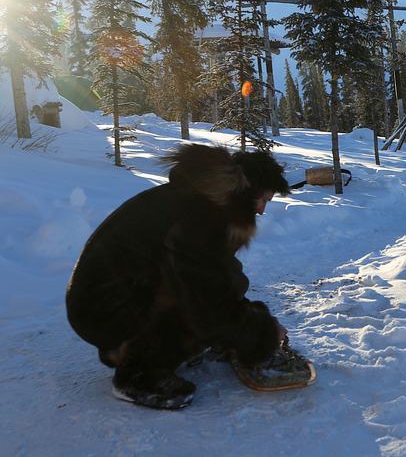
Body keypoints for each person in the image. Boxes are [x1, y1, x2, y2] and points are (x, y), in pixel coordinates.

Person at [66, 144, 290, 410]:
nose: (262, 210)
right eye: (263, 199)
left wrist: (245, 321)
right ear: (247, 190)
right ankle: (139, 374)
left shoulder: (196, 200)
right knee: (198, 304)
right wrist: (258, 334)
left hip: (102, 304)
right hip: (101, 311)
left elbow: (218, 278)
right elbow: (204, 297)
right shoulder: (201, 214)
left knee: (228, 279)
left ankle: (133, 348)